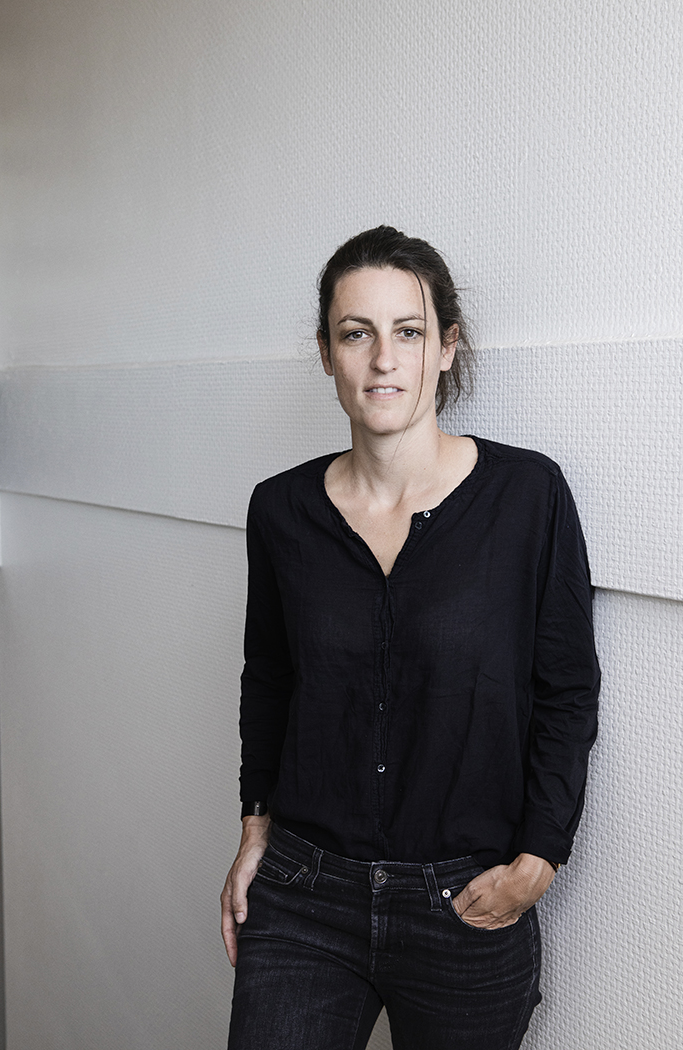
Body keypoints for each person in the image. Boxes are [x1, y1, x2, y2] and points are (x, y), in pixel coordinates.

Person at [221, 226, 600, 1050]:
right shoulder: (280, 509)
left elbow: (567, 690)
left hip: (467, 903)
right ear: (327, 353)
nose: (383, 360)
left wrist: (541, 857)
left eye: (409, 332)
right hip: (304, 893)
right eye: (356, 333)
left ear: (446, 346)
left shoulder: (527, 496)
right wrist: (255, 825)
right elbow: (270, 677)